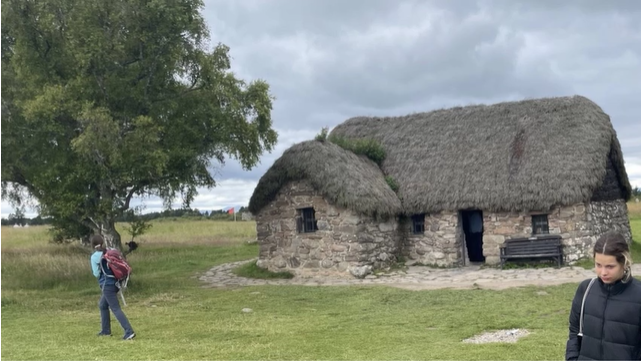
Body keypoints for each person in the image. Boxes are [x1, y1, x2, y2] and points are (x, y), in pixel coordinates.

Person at [565, 231, 640, 360]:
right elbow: (574, 331)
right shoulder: (585, 289)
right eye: (598, 265)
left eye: (610, 266)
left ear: (625, 263)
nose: (603, 272)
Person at [90, 234, 136, 340]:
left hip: (107, 285)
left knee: (115, 308)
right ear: (102, 242)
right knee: (102, 305)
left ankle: (129, 331)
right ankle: (105, 330)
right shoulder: (111, 250)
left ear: (92, 245)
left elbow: (96, 274)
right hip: (116, 283)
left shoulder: (94, 257)